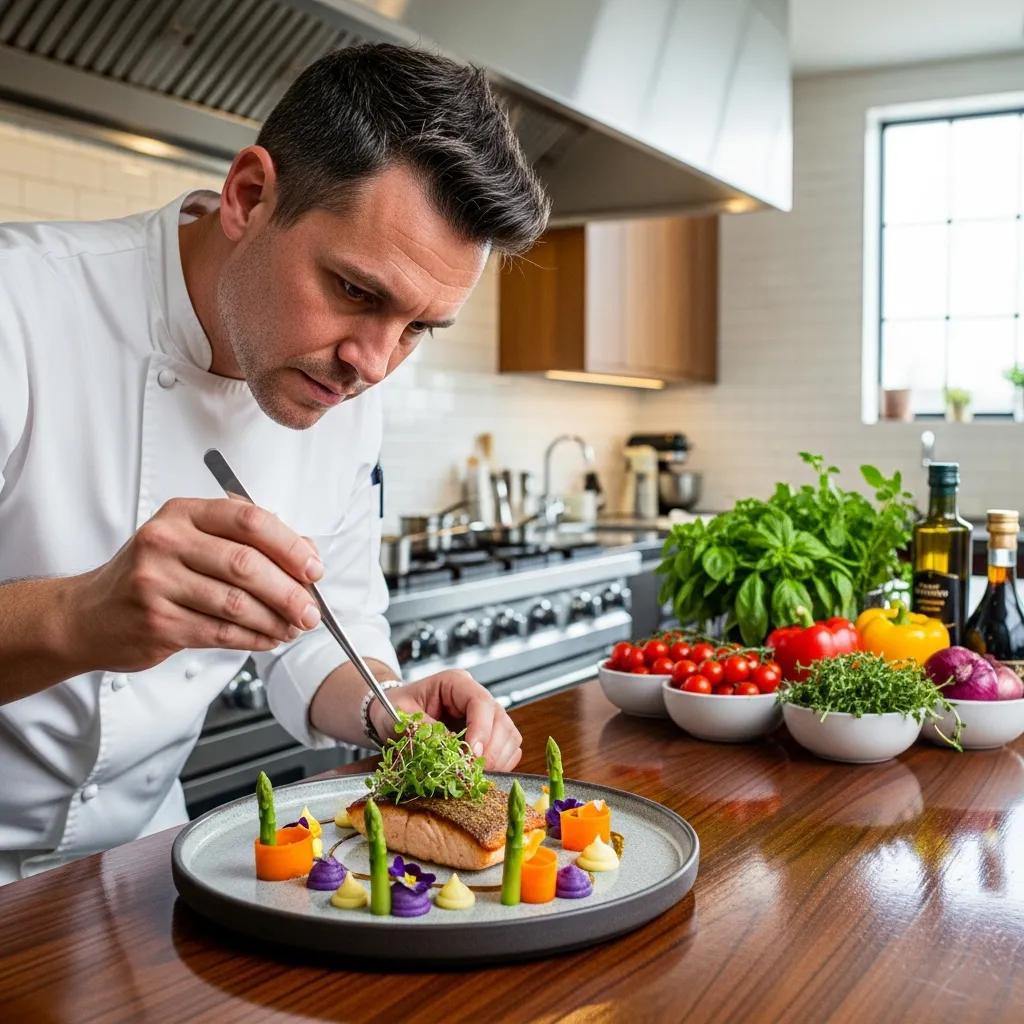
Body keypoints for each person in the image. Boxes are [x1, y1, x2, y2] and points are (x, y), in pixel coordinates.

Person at [0, 44, 550, 884]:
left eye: (418, 329)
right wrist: (79, 614)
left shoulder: (346, 386)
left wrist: (381, 705)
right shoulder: (19, 308)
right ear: (249, 197)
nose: (373, 362)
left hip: (137, 866)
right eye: (357, 291)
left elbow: (317, 630)